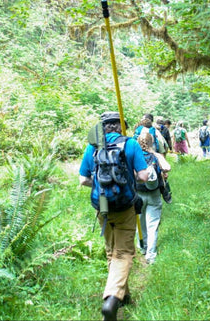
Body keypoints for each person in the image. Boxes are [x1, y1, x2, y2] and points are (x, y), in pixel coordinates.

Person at [79, 111, 148, 321]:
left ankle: (123, 295)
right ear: (120, 126)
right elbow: (144, 176)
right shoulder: (131, 144)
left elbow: (83, 179)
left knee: (111, 252)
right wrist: (127, 183)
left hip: (102, 206)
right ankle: (111, 300)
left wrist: (101, 186)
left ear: (103, 127)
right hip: (125, 207)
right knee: (124, 253)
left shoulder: (93, 146)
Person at [135, 132, 170, 264]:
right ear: (152, 142)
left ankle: (142, 248)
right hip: (154, 194)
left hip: (138, 193)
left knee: (141, 223)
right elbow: (167, 167)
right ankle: (151, 255)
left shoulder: (135, 156)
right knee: (153, 225)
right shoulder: (156, 156)